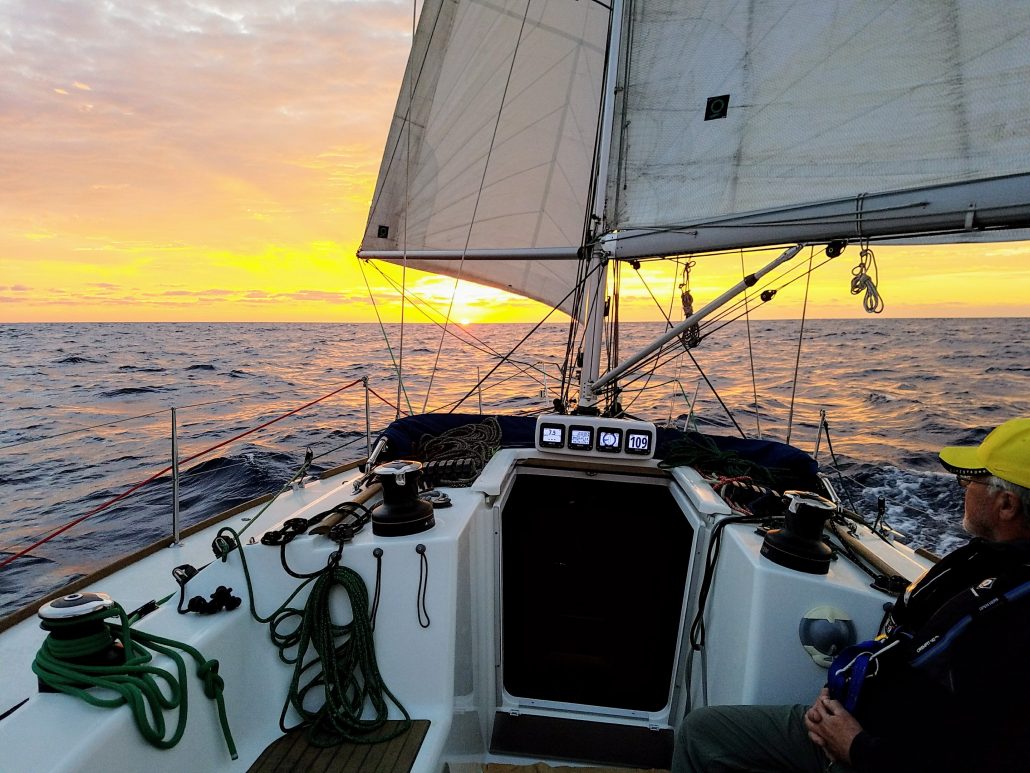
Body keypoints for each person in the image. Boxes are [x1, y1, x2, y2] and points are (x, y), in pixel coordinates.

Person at [672, 417, 1030, 773]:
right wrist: (839, 694)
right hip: (857, 719)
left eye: (971, 480)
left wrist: (855, 747)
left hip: (874, 752)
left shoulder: (1014, 623)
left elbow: (983, 757)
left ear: (1007, 505)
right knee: (703, 734)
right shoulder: (983, 563)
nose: (963, 488)